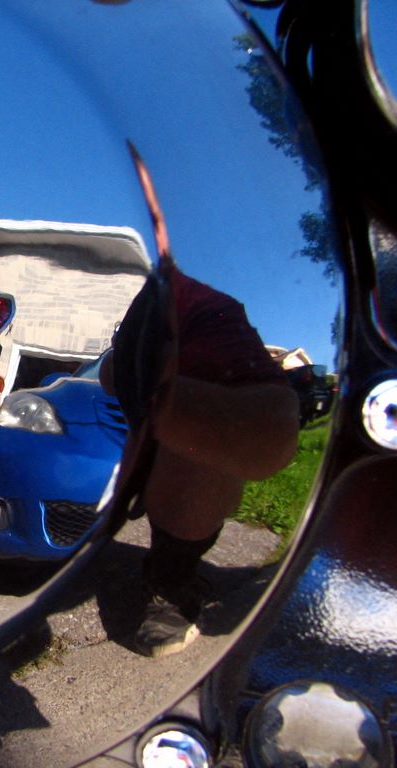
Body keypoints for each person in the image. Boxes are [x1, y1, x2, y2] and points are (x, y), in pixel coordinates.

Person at [105, 145, 300, 657]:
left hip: (173, 458)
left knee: (203, 444)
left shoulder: (206, 304)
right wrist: (120, 370)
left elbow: (272, 429)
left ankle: (170, 575)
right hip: (119, 443)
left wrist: (164, 403)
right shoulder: (152, 300)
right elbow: (108, 374)